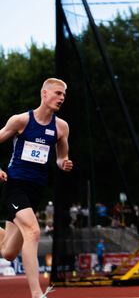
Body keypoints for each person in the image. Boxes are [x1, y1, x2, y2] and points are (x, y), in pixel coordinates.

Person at [0, 78, 74, 298]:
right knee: (33, 231)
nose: (61, 98)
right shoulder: (21, 121)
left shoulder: (61, 127)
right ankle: (36, 294)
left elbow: (62, 157)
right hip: (14, 187)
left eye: (64, 95)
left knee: (8, 252)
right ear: (44, 93)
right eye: (58, 93)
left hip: (35, 191)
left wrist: (64, 163)